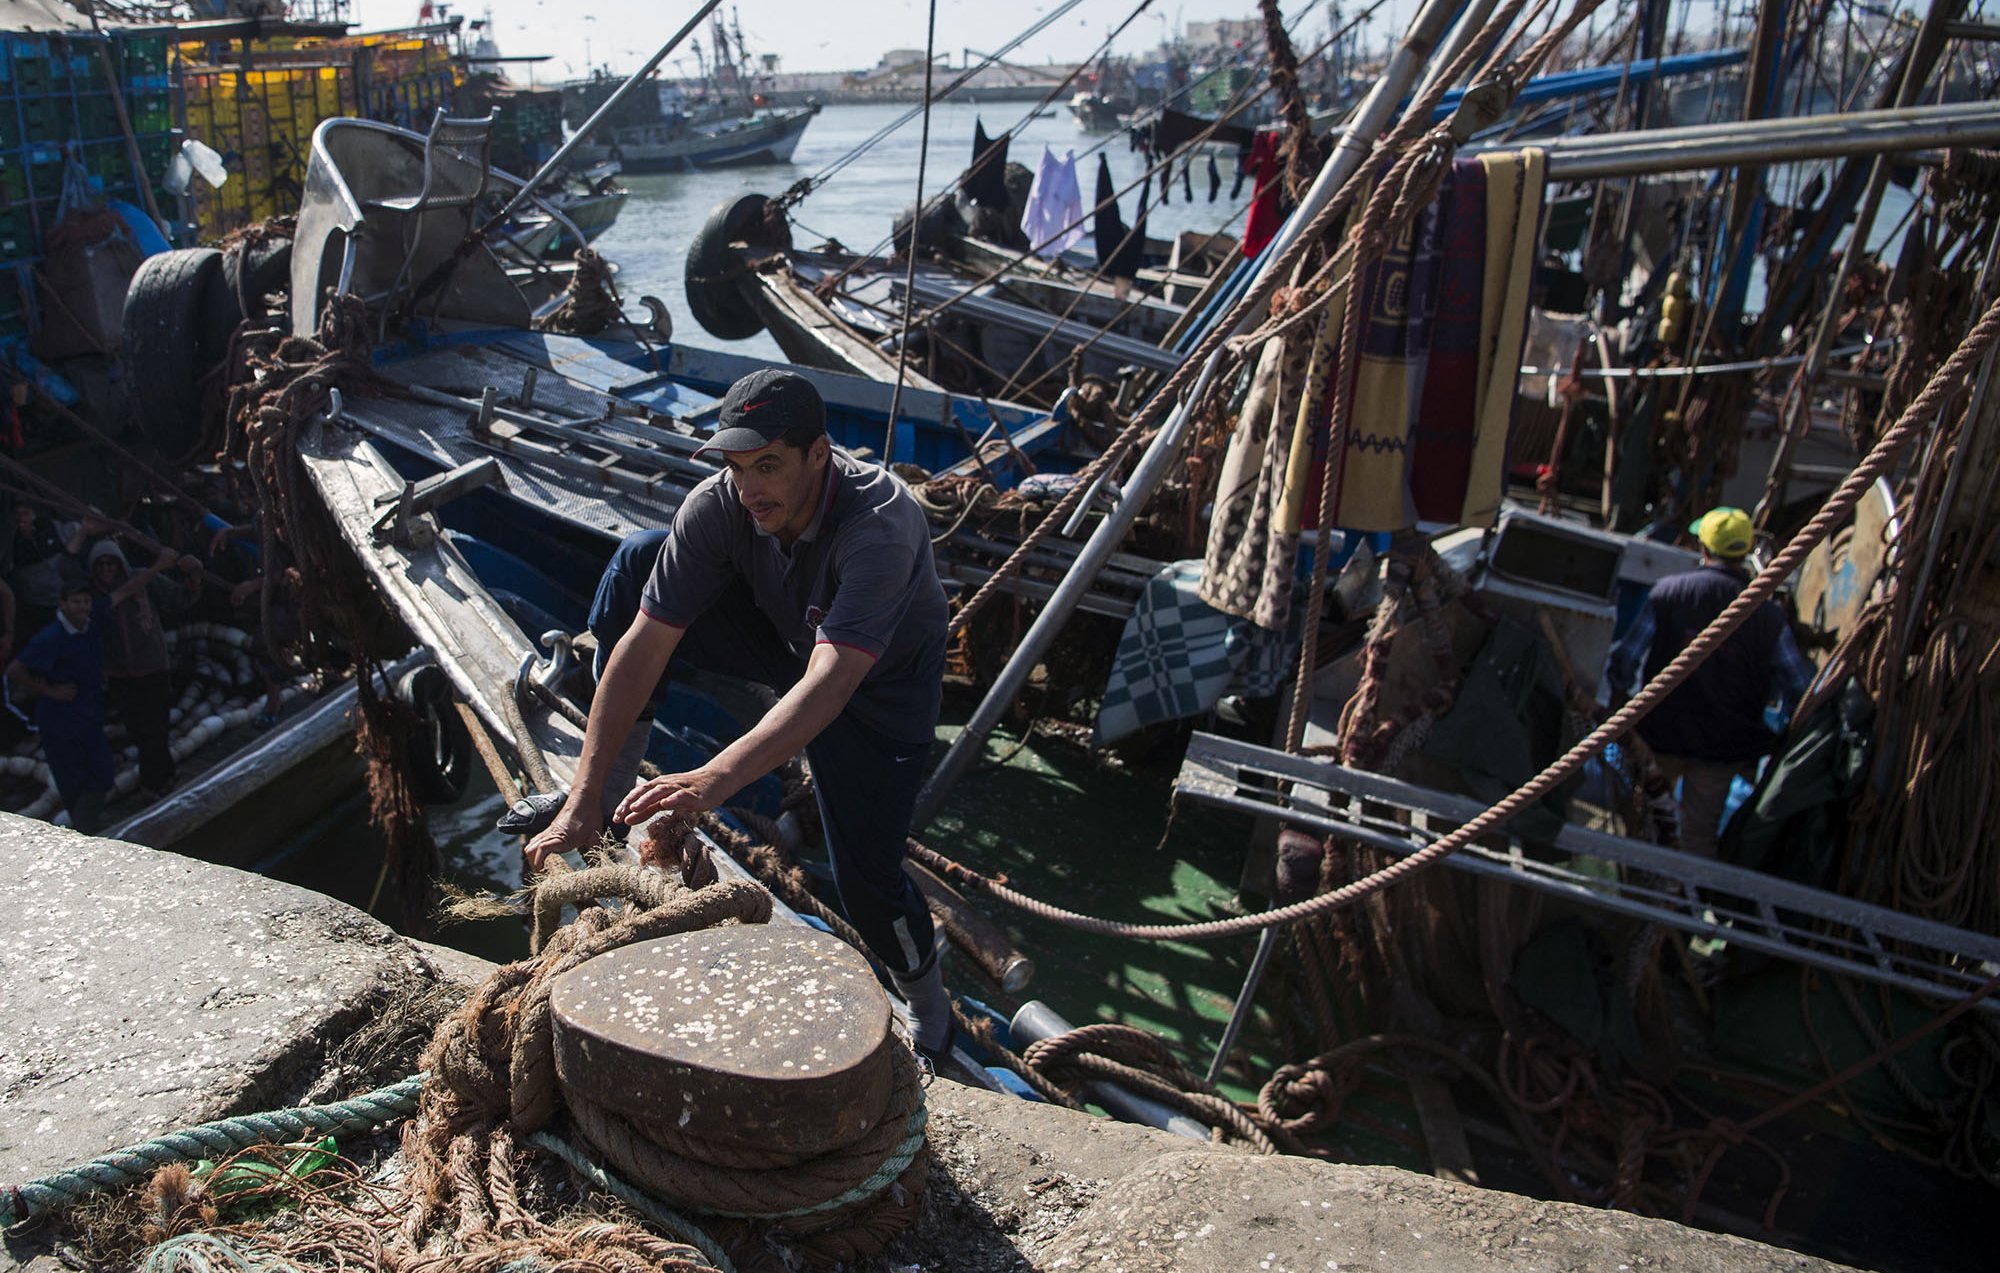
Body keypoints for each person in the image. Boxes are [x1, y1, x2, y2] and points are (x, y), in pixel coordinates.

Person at [524, 369, 956, 1058]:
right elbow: (644, 645)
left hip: (876, 687)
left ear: (820, 454)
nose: (749, 488)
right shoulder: (725, 503)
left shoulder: (881, 522)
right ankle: (604, 806)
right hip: (787, 640)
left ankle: (932, 1007)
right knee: (639, 560)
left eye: (768, 466)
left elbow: (835, 680)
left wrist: (710, 782)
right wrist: (581, 793)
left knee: (867, 881)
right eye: (735, 466)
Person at [1606, 506, 1815, 858]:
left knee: (1641, 823)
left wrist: (1619, 697)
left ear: (1703, 548)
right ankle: (1684, 904)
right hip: (1722, 749)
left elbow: (1626, 659)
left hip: (1661, 737)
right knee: (1698, 838)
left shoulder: (1668, 594)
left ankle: (1639, 898)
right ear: (1745, 552)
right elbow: (1799, 684)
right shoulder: (1767, 615)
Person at [88, 538, 201, 796]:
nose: (107, 569)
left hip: (153, 667)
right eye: (101, 564)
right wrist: (159, 565)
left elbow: (177, 598)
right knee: (139, 732)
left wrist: (194, 578)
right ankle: (166, 776)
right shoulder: (92, 596)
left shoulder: (143, 580)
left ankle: (153, 785)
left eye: (111, 563)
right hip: (119, 674)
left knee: (156, 728)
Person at [8, 581, 114, 832]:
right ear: (63, 604)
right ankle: (85, 830)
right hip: (61, 719)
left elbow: (119, 595)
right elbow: (15, 671)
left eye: (85, 602)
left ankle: (86, 826)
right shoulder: (51, 637)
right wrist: (49, 690)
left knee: (102, 771)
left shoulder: (89, 625)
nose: (82, 607)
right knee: (72, 780)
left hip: (87, 712)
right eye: (76, 602)